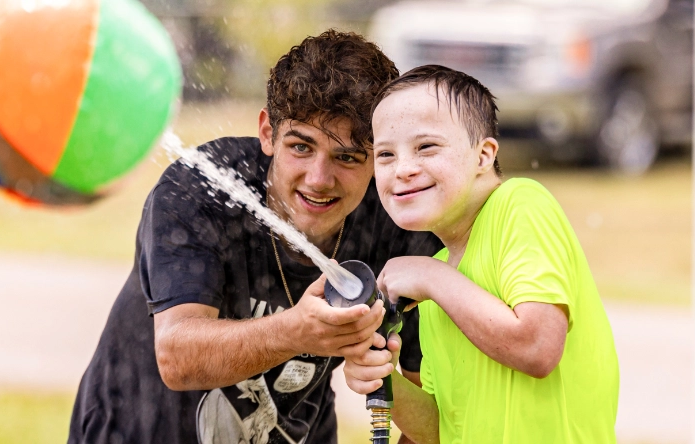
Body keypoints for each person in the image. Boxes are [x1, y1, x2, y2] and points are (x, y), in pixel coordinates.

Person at [67, 30, 443, 444]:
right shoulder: (200, 190)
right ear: (268, 132)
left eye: (348, 157)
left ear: (381, 154)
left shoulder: (400, 225)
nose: (319, 180)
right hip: (137, 430)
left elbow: (434, 405)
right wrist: (297, 332)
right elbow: (177, 358)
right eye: (301, 147)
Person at [343, 65, 620, 443]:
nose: (403, 169)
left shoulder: (520, 204)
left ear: (483, 155)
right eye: (386, 155)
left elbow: (538, 347)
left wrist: (430, 277)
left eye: (426, 146)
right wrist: (384, 377)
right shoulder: (440, 280)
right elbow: (442, 430)